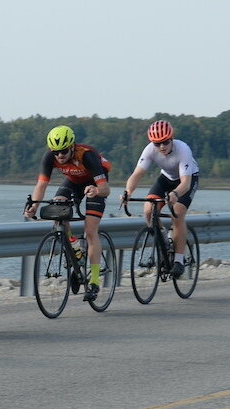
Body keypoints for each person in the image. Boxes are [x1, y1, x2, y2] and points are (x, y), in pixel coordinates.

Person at [24, 125, 112, 300]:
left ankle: (94, 282)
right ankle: (76, 251)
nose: (59, 156)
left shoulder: (87, 155)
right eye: (56, 152)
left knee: (90, 231)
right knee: (57, 208)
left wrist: (96, 191)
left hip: (95, 183)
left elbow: (106, 189)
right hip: (73, 182)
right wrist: (33, 205)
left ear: (72, 146)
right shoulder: (50, 157)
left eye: (63, 151)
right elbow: (41, 185)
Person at [121, 120, 200, 278]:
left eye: (165, 142)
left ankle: (178, 259)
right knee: (149, 211)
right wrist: (128, 191)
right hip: (165, 179)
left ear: (171, 139)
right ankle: (164, 241)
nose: (161, 147)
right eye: (157, 144)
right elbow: (137, 174)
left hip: (186, 180)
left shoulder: (183, 149)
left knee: (176, 213)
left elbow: (185, 183)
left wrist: (175, 194)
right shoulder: (150, 150)